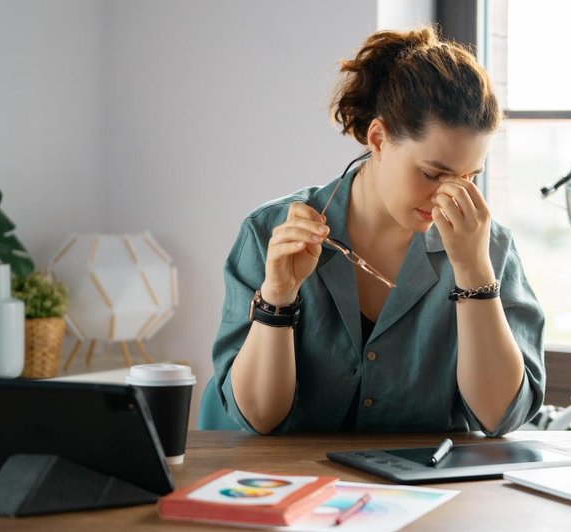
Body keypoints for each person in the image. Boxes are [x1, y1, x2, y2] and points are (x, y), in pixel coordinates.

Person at [209, 25, 544, 437]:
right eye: (431, 173)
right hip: (296, 490)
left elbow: (501, 417)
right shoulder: (270, 233)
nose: (450, 197)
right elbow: (258, 416)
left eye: (469, 177)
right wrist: (278, 297)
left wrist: (475, 273)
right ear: (379, 138)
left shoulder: (490, 248)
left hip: (430, 493)